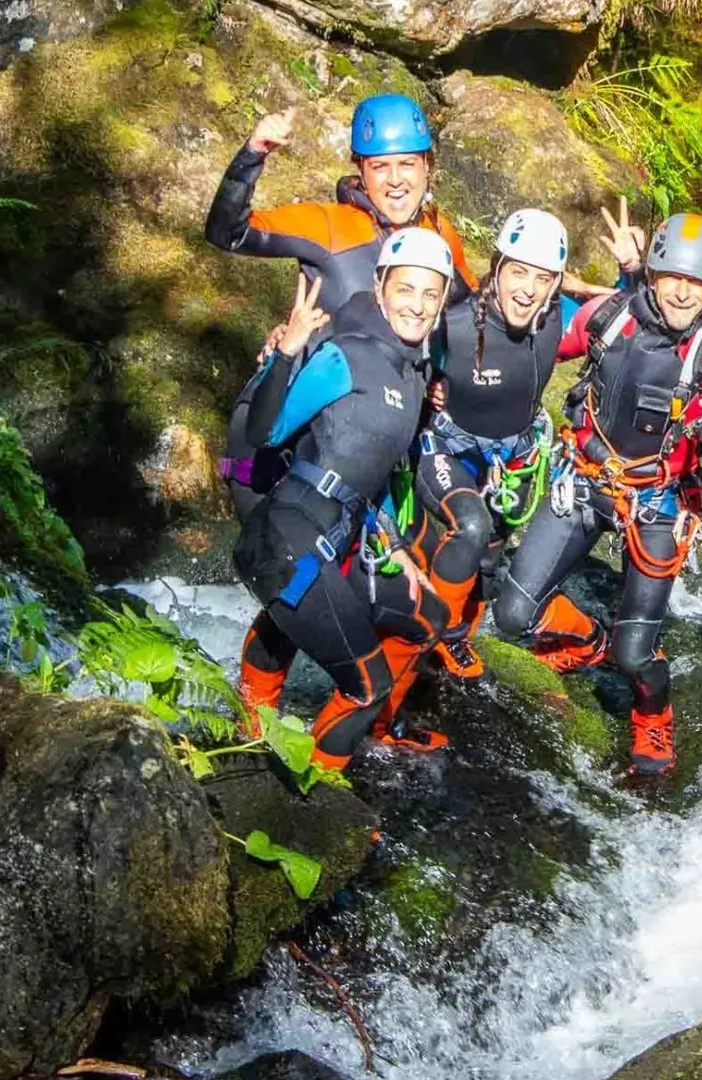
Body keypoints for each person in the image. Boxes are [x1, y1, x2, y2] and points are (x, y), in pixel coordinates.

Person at [209, 94, 477, 719]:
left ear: (429, 167)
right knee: (291, 575)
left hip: (353, 435)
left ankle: (370, 715)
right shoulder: (330, 226)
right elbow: (228, 232)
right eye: (380, 166)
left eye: (408, 163)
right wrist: (253, 155)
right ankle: (255, 712)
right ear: (359, 169)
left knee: (337, 577)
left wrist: (435, 382)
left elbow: (459, 307)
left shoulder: (441, 238)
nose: (396, 179)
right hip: (280, 432)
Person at [492, 212, 702, 776]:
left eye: (696, 282)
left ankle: (653, 713)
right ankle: (587, 641)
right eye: (671, 277)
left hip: (658, 502)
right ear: (653, 275)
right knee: (513, 613)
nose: (683, 292)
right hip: (585, 480)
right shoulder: (609, 316)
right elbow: (532, 344)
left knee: (635, 653)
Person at [231, 228, 456, 772]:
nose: (418, 306)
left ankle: (373, 732)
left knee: (429, 616)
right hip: (285, 539)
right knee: (366, 683)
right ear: (379, 288)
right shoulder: (343, 355)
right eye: (405, 290)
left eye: (431, 294)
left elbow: (364, 474)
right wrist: (285, 354)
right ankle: (316, 788)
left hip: (335, 537)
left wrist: (395, 543)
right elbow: (264, 432)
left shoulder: (412, 372)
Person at [408, 208, 579, 683]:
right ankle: (430, 635)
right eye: (518, 272)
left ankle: (459, 632)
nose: (527, 289)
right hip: (448, 446)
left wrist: (629, 272)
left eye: (542, 278)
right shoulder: (454, 323)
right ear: (497, 268)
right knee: (471, 526)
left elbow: (627, 322)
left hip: (516, 456)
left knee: (489, 555)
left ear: (556, 283)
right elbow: (393, 348)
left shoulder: (557, 319)